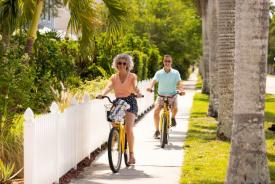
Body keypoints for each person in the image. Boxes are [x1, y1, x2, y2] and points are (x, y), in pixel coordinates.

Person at [96, 53, 143, 165]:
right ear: (116, 64)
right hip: (119, 102)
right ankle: (116, 135)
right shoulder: (114, 77)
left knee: (129, 129)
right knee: (114, 124)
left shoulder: (132, 76)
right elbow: (108, 86)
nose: (121, 65)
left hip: (130, 101)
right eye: (119, 63)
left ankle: (131, 154)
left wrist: (138, 92)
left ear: (127, 65)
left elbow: (135, 85)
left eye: (124, 63)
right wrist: (102, 94)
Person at [147, 55, 185, 139]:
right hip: (161, 96)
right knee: (156, 111)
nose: (167, 63)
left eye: (169, 61)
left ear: (171, 62)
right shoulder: (159, 73)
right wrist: (150, 87)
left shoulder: (175, 73)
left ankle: (173, 118)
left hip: (172, 96)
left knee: (175, 108)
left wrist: (182, 90)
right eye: (166, 61)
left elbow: (180, 82)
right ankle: (157, 131)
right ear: (163, 62)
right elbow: (153, 81)